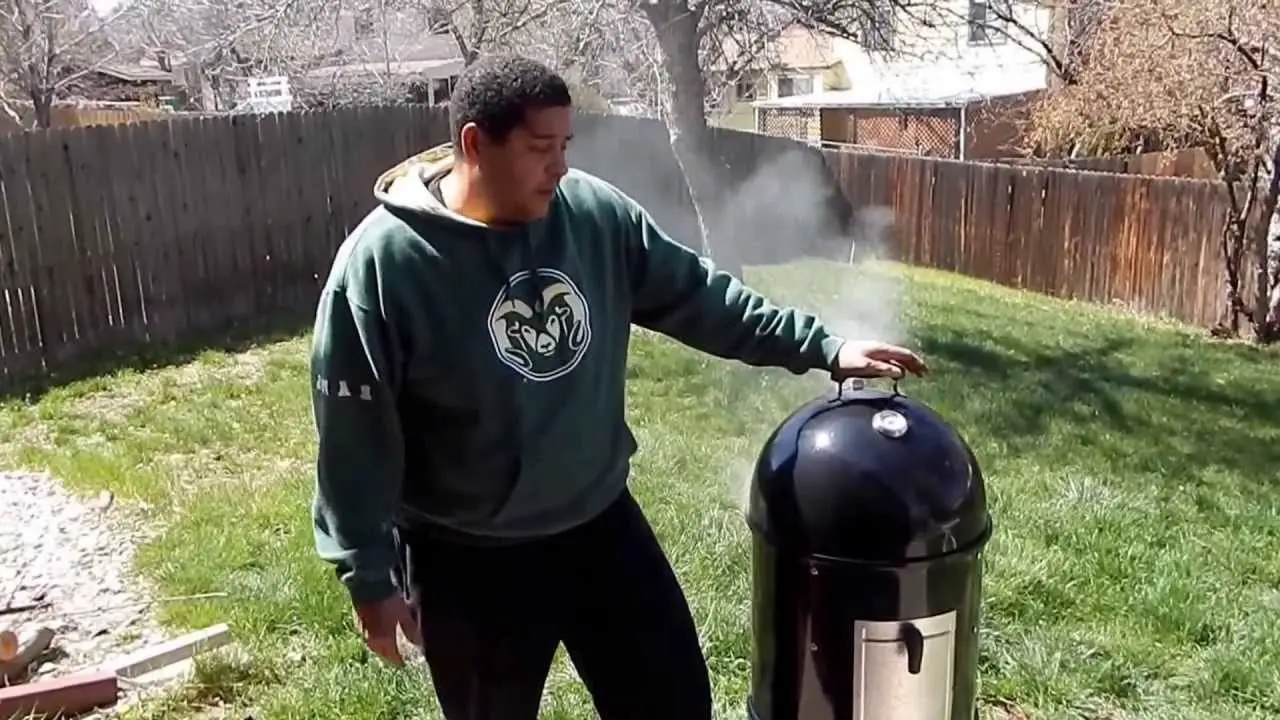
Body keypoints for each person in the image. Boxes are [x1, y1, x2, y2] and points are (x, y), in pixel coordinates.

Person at [308, 54, 928, 720]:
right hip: (468, 556)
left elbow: (704, 300)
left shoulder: (593, 218)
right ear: (474, 145)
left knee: (673, 703)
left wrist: (824, 347)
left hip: (597, 524)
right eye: (540, 148)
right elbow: (354, 440)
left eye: (565, 146)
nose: (561, 167)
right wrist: (369, 579)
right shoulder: (384, 266)